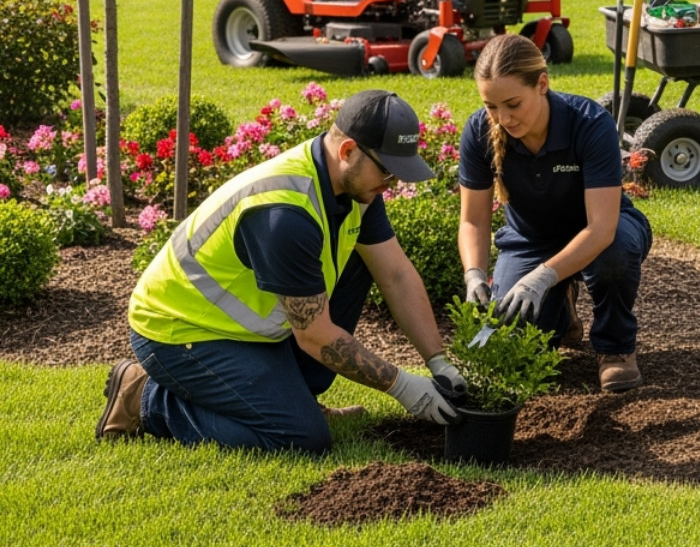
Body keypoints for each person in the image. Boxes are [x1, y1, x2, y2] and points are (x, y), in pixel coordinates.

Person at [99, 91, 464, 452]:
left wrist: (439, 362)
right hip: (179, 332)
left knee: (362, 261)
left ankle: (287, 402)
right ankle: (146, 397)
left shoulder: (355, 189)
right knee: (301, 438)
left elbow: (396, 274)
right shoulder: (284, 214)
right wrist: (402, 386)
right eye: (386, 168)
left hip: (242, 331)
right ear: (348, 150)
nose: (391, 182)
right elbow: (315, 336)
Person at [457, 34, 652, 393]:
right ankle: (562, 311)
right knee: (517, 348)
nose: (503, 118)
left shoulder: (589, 123)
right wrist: (474, 275)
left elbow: (601, 228)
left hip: (603, 232)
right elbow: (473, 220)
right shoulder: (479, 131)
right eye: (491, 106)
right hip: (530, 240)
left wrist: (544, 277)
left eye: (513, 104)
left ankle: (615, 348)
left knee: (614, 258)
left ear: (542, 84)